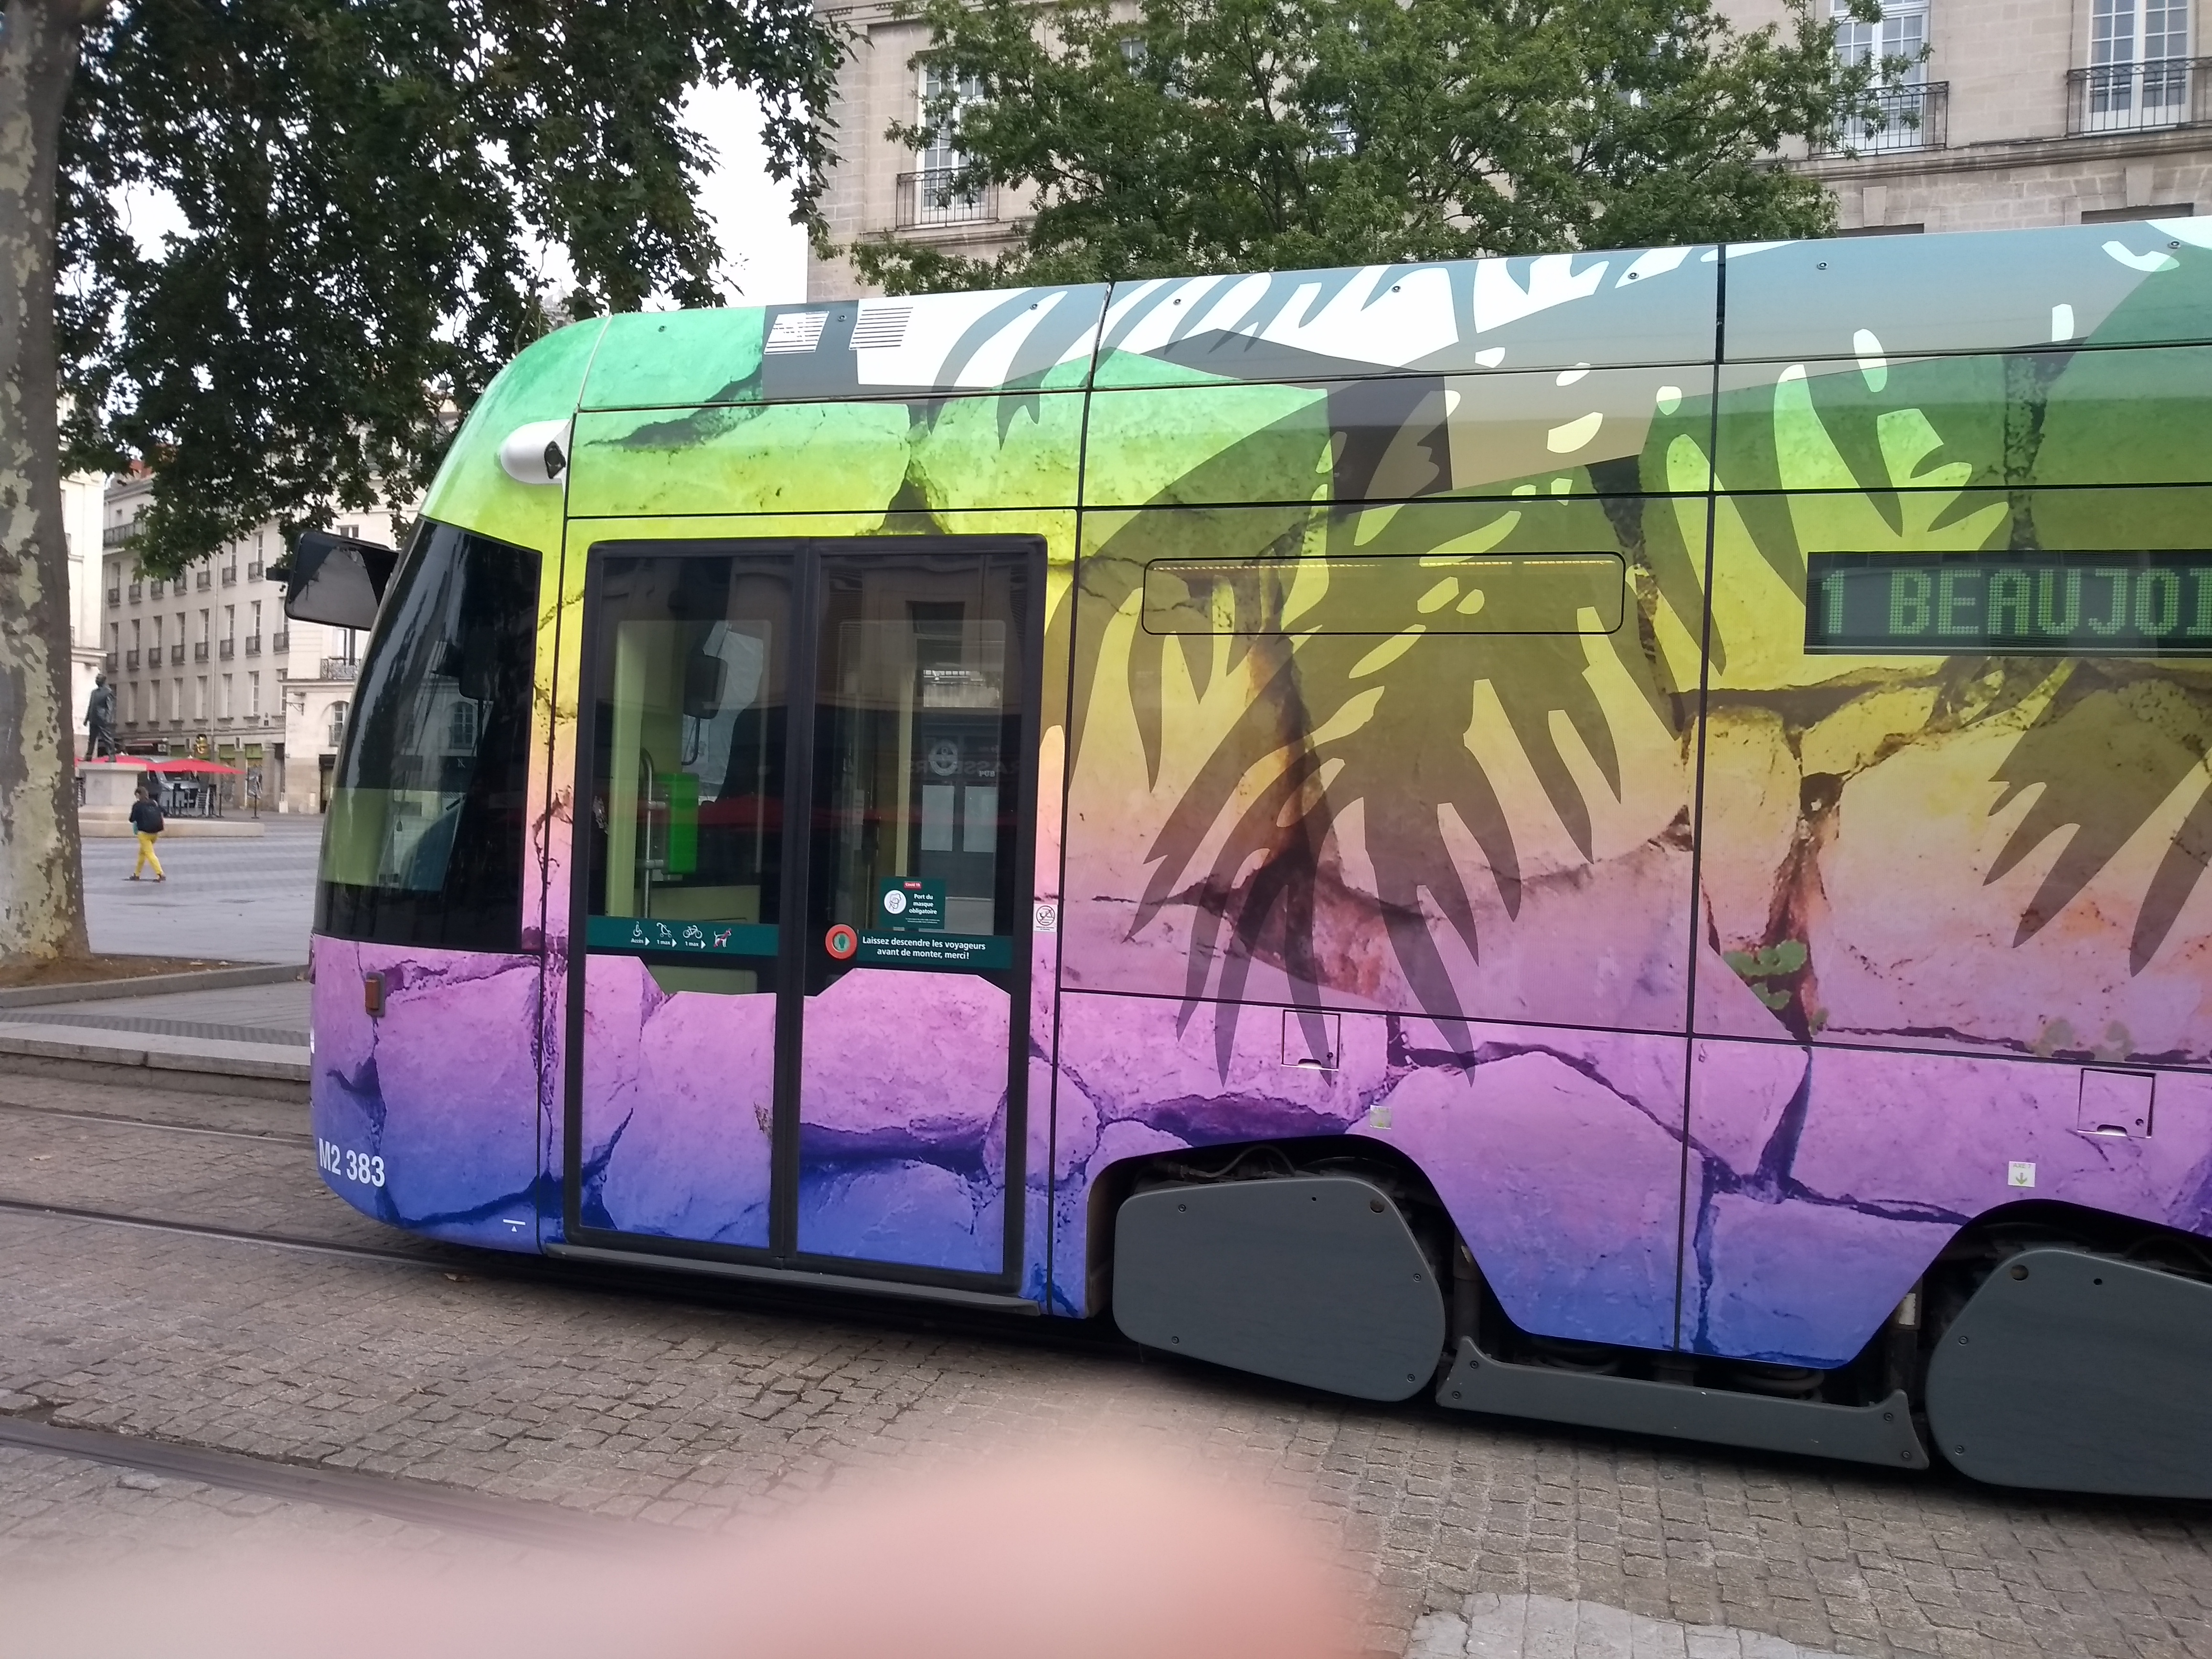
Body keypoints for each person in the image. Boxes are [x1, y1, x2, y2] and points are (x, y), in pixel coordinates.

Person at [128, 785, 166, 881]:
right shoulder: (154, 802)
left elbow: (132, 819)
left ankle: (160, 873)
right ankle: (136, 874)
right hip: (155, 833)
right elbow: (165, 811)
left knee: (150, 854)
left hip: (144, 833)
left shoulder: (137, 805)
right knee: (142, 853)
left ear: (138, 795)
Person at [84, 672, 118, 759]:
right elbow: (91, 706)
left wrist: (108, 719)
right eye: (96, 679)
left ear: (103, 680)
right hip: (93, 718)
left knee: (107, 738)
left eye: (98, 679)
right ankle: (88, 756)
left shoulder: (108, 692)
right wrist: (87, 719)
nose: (96, 680)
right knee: (91, 739)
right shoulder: (94, 692)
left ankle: (112, 756)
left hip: (102, 719)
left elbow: (110, 707)